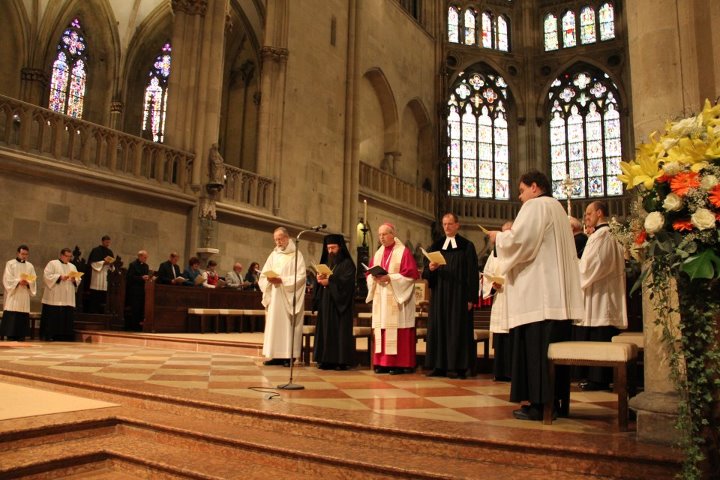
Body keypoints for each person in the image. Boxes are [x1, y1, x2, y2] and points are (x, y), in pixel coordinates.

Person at [487, 170, 583, 421]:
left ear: (534, 187)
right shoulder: (558, 209)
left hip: (539, 297)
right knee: (552, 354)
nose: (519, 197)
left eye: (521, 191)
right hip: (557, 300)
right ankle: (555, 402)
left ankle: (539, 405)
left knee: (537, 352)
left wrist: (499, 238)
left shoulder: (535, 206)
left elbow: (521, 242)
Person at [575, 201, 628, 391]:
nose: (586, 217)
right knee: (597, 335)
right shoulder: (605, 234)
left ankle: (599, 379)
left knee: (600, 335)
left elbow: (591, 267)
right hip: (600, 293)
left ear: (599, 213)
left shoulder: (603, 235)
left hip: (601, 296)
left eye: (589, 213)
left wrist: (573, 263)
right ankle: (596, 378)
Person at [422, 213, 479, 379]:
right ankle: (438, 366)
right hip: (439, 295)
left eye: (450, 224)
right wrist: (431, 269)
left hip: (459, 296)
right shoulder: (436, 246)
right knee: (439, 328)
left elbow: (472, 274)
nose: (447, 227)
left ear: (457, 225)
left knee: (457, 329)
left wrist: (471, 298)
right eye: (444, 224)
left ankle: (458, 367)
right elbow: (426, 273)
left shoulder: (467, 246)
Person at [365, 222, 419, 375]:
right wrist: (373, 278)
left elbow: (410, 276)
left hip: (397, 300)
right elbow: (368, 274)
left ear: (393, 234)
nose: (381, 237)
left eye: (384, 234)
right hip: (381, 299)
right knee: (382, 328)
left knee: (398, 330)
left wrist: (390, 278)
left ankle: (400, 364)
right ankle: (382, 363)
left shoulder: (403, 252)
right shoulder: (378, 254)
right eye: (379, 235)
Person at [258, 227, 306, 366]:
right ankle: (275, 355)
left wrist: (282, 280)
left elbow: (301, 276)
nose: (278, 242)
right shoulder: (274, 254)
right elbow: (264, 273)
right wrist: (269, 279)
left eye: (280, 239)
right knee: (274, 325)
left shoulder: (297, 255)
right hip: (275, 295)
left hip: (288, 296)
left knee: (287, 325)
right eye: (276, 240)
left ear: (287, 238)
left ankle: (288, 356)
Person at [313, 234, 356, 370]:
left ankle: (340, 361)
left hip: (340, 305)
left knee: (339, 332)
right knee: (325, 330)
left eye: (333, 248)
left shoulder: (348, 264)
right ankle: (325, 360)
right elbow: (321, 282)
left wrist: (329, 282)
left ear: (340, 247)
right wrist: (319, 280)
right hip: (326, 302)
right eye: (328, 248)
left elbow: (347, 284)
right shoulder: (327, 263)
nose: (330, 251)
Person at [481, 221, 513, 382]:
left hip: (513, 301)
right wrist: (493, 285)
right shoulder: (494, 255)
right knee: (500, 336)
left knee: (511, 337)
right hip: (500, 299)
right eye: (503, 232)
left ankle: (512, 372)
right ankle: (499, 371)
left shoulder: (517, 253)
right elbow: (487, 274)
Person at [40, 248, 82, 341]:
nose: (68, 258)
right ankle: (50, 335)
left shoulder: (72, 266)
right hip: (54, 296)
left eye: (70, 256)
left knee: (66, 317)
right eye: (67, 256)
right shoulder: (52, 263)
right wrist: (59, 277)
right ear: (61, 255)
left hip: (67, 297)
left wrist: (74, 279)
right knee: (53, 316)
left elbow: (78, 279)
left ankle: (64, 336)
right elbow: (47, 276)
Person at [1, 245, 37, 341]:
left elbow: (33, 279)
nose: (24, 256)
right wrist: (18, 281)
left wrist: (28, 282)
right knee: (12, 310)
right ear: (18, 253)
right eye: (22, 254)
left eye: (26, 254)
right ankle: (10, 334)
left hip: (24, 292)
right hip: (14, 292)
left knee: (23, 312)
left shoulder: (30, 266)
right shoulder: (10, 263)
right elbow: (7, 278)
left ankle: (21, 335)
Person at [86, 235, 115, 313]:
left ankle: (101, 313)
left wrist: (111, 264)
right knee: (95, 296)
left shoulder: (110, 252)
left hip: (105, 275)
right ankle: (93, 313)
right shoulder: (96, 250)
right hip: (97, 275)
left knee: (103, 296)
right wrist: (103, 263)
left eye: (109, 242)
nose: (107, 244)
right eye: (106, 242)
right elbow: (93, 263)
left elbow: (112, 266)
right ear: (102, 241)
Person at [125, 250, 149, 331]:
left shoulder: (146, 266)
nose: (146, 259)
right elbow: (129, 278)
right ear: (140, 256)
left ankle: (140, 326)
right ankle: (133, 327)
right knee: (135, 308)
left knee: (141, 309)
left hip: (143, 290)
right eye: (145, 257)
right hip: (134, 290)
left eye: (146, 257)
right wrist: (141, 278)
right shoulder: (133, 265)